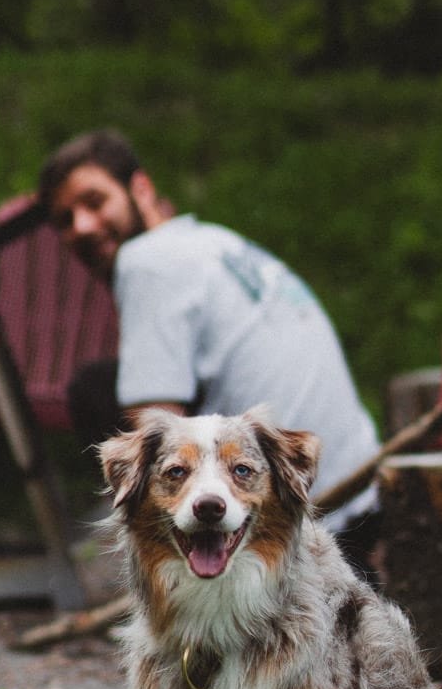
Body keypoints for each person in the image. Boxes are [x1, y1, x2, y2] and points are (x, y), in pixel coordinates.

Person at [37, 128, 381, 565]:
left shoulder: (146, 261)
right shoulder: (212, 241)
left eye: (95, 202)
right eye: (65, 220)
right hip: (359, 497)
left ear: (140, 189)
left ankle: (168, 568)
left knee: (95, 392)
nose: (82, 227)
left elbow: (154, 426)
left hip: (300, 523)